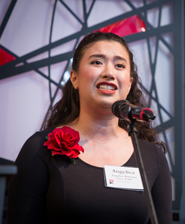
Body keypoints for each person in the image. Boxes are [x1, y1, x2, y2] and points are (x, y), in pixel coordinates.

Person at [7, 32, 172, 224]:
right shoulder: (38, 148)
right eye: (97, 62)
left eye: (119, 65)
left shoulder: (152, 157)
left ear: (129, 84)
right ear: (74, 78)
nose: (109, 73)